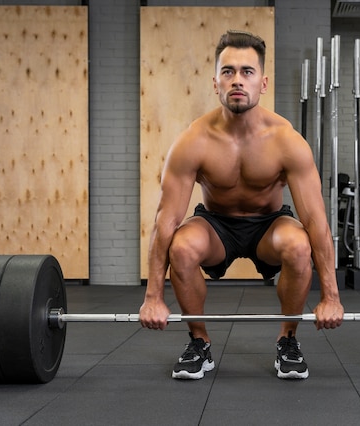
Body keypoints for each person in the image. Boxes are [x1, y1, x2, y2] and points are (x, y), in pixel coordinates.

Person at [138, 30, 344, 380]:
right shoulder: (193, 141)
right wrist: (153, 296)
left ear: (262, 83)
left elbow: (316, 220)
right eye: (228, 71)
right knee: (182, 247)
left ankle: (288, 340)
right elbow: (165, 220)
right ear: (215, 81)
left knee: (298, 245)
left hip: (269, 225)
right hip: (217, 226)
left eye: (247, 72)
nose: (237, 80)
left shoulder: (287, 141)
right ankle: (199, 343)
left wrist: (331, 295)